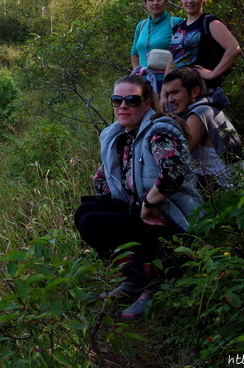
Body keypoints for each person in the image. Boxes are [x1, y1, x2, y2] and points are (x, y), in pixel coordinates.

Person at [74, 73, 202, 320]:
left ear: (147, 104)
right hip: (146, 212)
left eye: (132, 100)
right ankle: (136, 278)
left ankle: (157, 284)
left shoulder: (158, 131)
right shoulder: (122, 135)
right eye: (117, 100)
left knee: (95, 220)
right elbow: (102, 178)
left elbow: (173, 172)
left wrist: (148, 203)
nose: (123, 106)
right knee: (87, 213)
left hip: (172, 218)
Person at [162, 0, 241, 108]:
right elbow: (173, 58)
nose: (190, 1)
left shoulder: (210, 22)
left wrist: (212, 73)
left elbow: (234, 48)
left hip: (200, 94)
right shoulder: (178, 27)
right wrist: (164, 92)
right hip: (176, 96)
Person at [163, 67, 244, 192]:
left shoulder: (199, 114)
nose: (170, 100)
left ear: (195, 91)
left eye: (175, 92)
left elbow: (179, 156)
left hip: (224, 191)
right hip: (232, 187)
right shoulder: (209, 108)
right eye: (168, 94)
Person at [130, 0, 181, 94]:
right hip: (143, 83)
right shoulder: (141, 25)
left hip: (167, 82)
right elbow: (134, 53)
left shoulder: (176, 23)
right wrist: (138, 75)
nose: (155, 3)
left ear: (165, 1)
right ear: (145, 3)